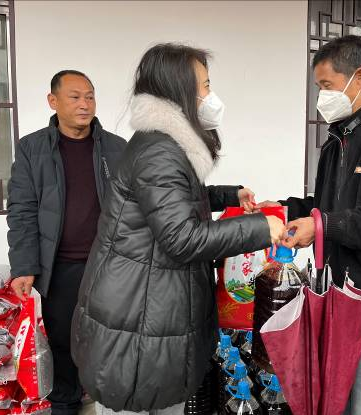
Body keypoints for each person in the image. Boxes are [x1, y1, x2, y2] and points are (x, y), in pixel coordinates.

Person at [70, 43, 285, 415]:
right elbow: (182, 238)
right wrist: (260, 228)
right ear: (178, 90)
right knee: (141, 402)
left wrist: (229, 195)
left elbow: (174, 199)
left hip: (147, 305)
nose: (210, 96)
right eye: (205, 85)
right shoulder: (160, 152)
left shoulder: (162, 144)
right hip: (138, 314)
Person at [256, 35, 361, 414]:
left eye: (327, 85)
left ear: (360, 78)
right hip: (342, 291)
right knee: (342, 401)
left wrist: (320, 226)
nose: (322, 96)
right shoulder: (338, 139)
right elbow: (329, 206)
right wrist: (285, 209)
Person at [7, 70, 127, 415]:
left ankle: (111, 401)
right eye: (74, 97)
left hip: (109, 265)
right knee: (63, 341)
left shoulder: (117, 149)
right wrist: (24, 266)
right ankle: (65, 403)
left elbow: (143, 200)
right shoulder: (32, 149)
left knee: (111, 339)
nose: (84, 104)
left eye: (90, 96)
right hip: (60, 267)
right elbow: (22, 210)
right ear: (53, 101)